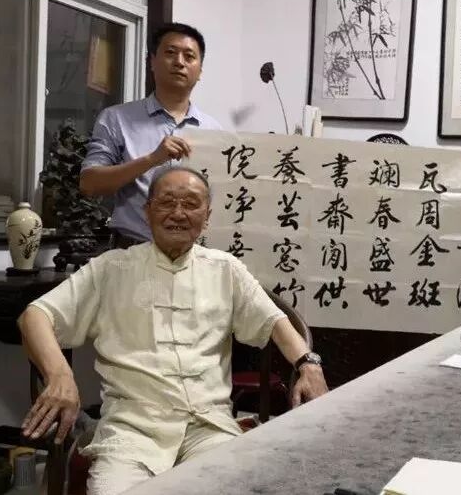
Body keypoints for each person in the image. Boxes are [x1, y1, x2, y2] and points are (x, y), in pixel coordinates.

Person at [18, 167, 328, 495]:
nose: (178, 213)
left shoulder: (225, 269)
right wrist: (60, 375)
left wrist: (308, 364)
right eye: (167, 202)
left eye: (191, 204)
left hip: (209, 427)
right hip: (131, 429)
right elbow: (34, 316)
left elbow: (275, 320)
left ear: (207, 216)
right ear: (147, 211)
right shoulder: (112, 268)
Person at [80, 22, 222, 248]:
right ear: (152, 62)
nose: (179, 62)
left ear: (200, 71)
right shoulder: (116, 118)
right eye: (170, 53)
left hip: (194, 255)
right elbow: (89, 184)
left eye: (189, 56)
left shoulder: (214, 131)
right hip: (132, 250)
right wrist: (151, 159)